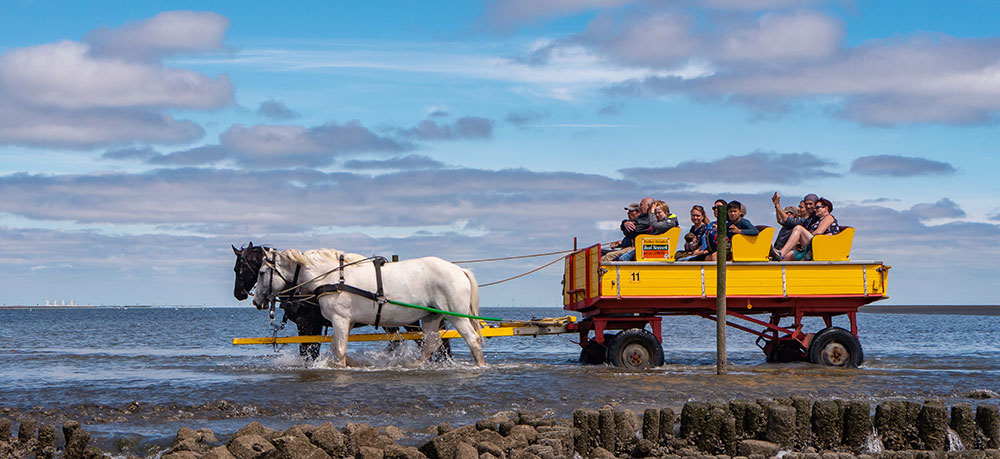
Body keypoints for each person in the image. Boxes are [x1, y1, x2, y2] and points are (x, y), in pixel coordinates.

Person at [603, 197, 656, 261]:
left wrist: (625, 227)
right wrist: (625, 223)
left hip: (636, 250)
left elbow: (630, 232)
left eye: (641, 205)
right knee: (600, 252)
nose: (628, 213)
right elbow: (626, 229)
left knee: (608, 257)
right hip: (628, 248)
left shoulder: (649, 218)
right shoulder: (641, 218)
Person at [771, 192, 813, 259]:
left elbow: (788, 221)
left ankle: (781, 253)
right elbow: (780, 221)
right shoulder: (800, 221)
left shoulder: (804, 221)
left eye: (801, 207)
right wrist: (776, 206)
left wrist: (778, 205)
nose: (798, 209)